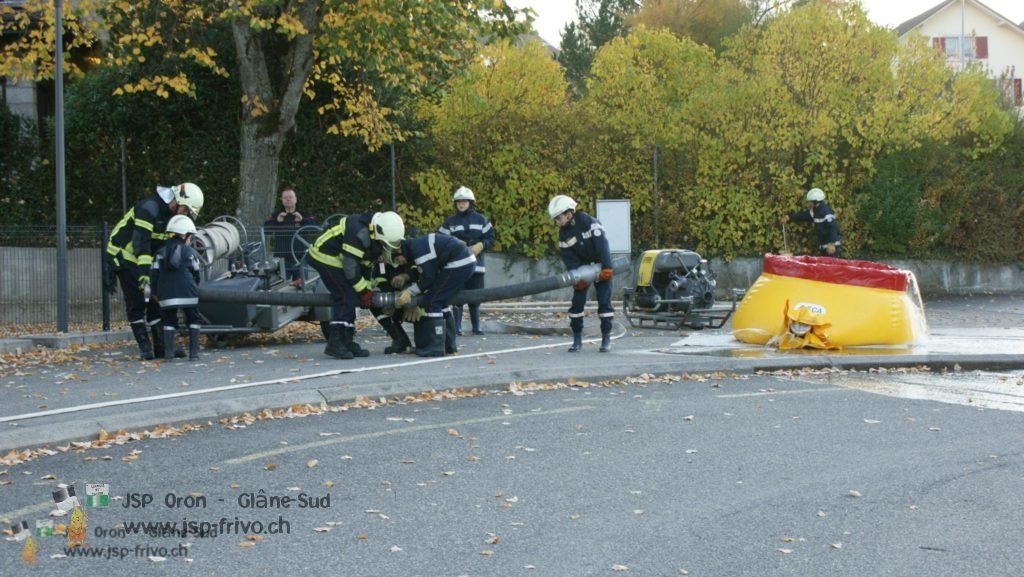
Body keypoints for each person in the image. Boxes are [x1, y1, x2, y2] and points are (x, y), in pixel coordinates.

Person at [106, 183, 204, 360]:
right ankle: (145, 347)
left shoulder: (170, 216)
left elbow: (163, 247)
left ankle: (162, 347)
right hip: (124, 256)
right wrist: (144, 275)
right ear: (179, 200)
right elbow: (140, 244)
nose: (185, 214)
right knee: (137, 301)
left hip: (144, 259)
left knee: (155, 301)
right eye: (186, 210)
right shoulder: (148, 209)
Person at [307, 211, 405, 359]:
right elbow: (350, 267)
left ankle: (346, 341)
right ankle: (335, 343)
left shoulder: (375, 237)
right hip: (325, 256)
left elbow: (365, 267)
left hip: (340, 261)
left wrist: (365, 290)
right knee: (345, 296)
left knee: (351, 297)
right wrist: (363, 292)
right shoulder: (358, 231)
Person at [390, 232, 477, 357]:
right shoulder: (416, 246)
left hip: (459, 263)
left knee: (432, 301)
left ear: (399, 251)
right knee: (441, 301)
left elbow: (429, 278)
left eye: (396, 259)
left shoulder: (417, 250)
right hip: (464, 261)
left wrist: (410, 291)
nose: (399, 262)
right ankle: (449, 345)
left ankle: (435, 346)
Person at [548, 194, 615, 353]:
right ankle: (577, 339)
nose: (557, 222)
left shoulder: (589, 222)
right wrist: (576, 275)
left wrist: (606, 267)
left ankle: (606, 339)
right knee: (577, 304)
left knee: (604, 303)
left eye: (558, 218)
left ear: (568, 214)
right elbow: (568, 257)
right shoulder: (564, 234)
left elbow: (602, 245)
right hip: (582, 268)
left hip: (600, 264)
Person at [438, 186, 495, 336]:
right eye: (458, 202)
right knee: (457, 296)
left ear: (470, 202)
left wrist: (482, 245)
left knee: (475, 297)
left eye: (464, 201)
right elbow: (440, 240)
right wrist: (455, 245)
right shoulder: (449, 222)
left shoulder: (481, 219)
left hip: (477, 266)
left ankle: (476, 327)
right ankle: (457, 327)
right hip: (457, 266)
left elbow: (491, 237)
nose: (461, 204)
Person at [150, 215, 203, 361]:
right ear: (184, 235)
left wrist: (155, 292)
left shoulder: (160, 253)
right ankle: (194, 354)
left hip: (166, 293)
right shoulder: (190, 253)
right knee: (193, 319)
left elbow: (154, 275)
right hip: (188, 292)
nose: (190, 240)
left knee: (168, 321)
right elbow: (196, 274)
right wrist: (195, 288)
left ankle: (168, 355)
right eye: (190, 237)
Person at [263, 188, 317, 284]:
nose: (288, 199)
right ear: (281, 200)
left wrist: (302, 220)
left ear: (295, 199)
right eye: (285, 197)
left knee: (303, 288)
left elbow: (314, 229)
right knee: (276, 287)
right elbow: (265, 230)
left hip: (300, 258)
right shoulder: (276, 215)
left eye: (291, 197)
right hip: (281, 260)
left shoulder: (304, 214)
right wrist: (276, 221)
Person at [781, 187, 841, 257]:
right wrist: (789, 217)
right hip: (824, 247)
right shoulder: (815, 211)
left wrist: (832, 243)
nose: (809, 204)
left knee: (830, 267)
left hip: (831, 248)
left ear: (815, 202)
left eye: (810, 202)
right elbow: (803, 215)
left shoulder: (826, 211)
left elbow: (832, 227)